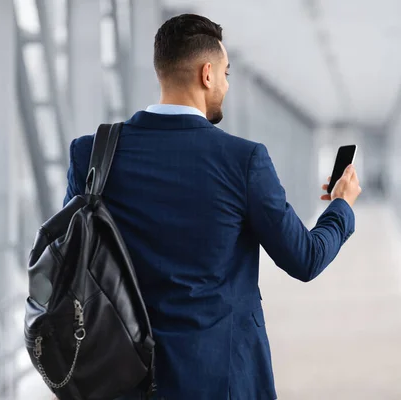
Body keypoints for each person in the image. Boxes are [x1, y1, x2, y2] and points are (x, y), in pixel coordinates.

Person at [63, 13, 361, 400]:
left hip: (116, 378)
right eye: (226, 73)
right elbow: (305, 258)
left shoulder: (92, 154)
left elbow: (69, 261)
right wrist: (341, 206)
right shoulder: (243, 161)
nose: (225, 84)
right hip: (220, 381)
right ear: (207, 74)